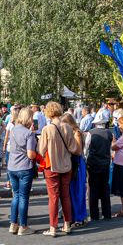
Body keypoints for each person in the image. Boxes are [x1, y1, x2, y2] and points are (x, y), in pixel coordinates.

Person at [37, 101, 82, 237]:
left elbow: (41, 149)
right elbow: (74, 148)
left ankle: (53, 227)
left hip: (52, 167)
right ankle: (67, 224)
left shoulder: (47, 129)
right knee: (65, 196)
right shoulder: (68, 127)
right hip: (66, 165)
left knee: (53, 198)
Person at [6, 108, 37, 236]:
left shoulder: (13, 130)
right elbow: (30, 155)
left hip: (12, 167)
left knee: (16, 196)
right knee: (24, 197)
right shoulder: (29, 134)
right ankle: (23, 226)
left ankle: (13, 224)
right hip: (24, 167)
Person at [60, 114, 88, 227]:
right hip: (70, 163)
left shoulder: (76, 132)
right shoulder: (68, 132)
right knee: (70, 192)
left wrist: (67, 148)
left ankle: (79, 217)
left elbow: (79, 151)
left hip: (76, 164)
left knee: (78, 191)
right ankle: (72, 216)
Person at [86, 111, 113, 221]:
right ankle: (107, 213)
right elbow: (110, 147)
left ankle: (94, 215)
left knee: (93, 189)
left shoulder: (91, 133)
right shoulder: (109, 133)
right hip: (105, 163)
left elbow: (86, 149)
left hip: (93, 163)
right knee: (105, 188)